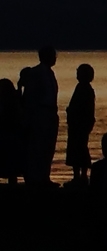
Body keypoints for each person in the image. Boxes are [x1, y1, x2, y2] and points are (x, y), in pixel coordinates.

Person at [20, 46, 60, 187]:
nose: (55, 58)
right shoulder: (36, 73)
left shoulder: (49, 73)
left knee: (48, 147)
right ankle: (36, 178)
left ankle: (44, 177)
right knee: (39, 147)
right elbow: (31, 96)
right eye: (53, 56)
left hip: (50, 114)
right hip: (40, 114)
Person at [65, 63, 97, 186]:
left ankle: (81, 177)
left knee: (79, 148)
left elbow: (84, 109)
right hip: (79, 123)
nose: (77, 75)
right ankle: (78, 176)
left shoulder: (84, 89)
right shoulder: (83, 88)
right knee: (77, 148)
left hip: (80, 124)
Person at [0, 79, 23, 183]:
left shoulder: (7, 102)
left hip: (6, 135)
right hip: (13, 136)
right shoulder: (15, 102)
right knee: (12, 164)